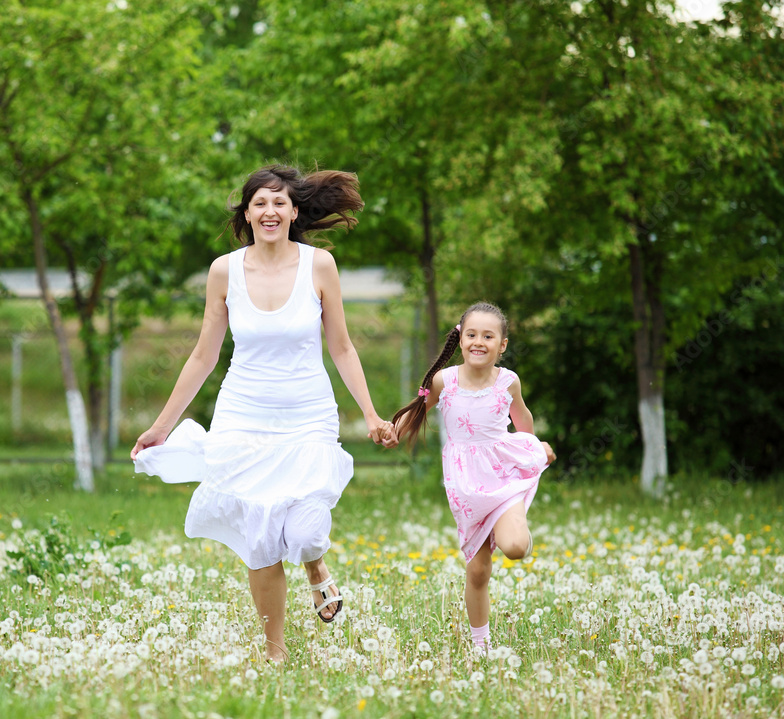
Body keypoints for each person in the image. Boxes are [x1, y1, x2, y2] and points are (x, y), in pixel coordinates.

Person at [131, 164, 397, 664]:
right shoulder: (224, 271)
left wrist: (372, 414)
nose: (270, 211)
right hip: (243, 416)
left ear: (295, 212)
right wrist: (161, 426)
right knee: (260, 535)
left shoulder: (320, 266)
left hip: (307, 415)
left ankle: (315, 566)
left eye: (279, 202)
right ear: (247, 214)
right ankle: (275, 655)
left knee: (303, 531)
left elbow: (341, 347)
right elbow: (203, 355)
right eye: (260, 203)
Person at [390, 301, 555, 657]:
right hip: (465, 485)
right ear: (460, 339)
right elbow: (418, 412)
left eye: (488, 336)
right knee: (478, 570)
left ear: (503, 344)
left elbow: (522, 420)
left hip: (503, 472)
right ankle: (481, 647)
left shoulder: (508, 381)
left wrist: (536, 448)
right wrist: (393, 432)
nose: (479, 342)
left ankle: (518, 531)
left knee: (511, 548)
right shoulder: (444, 381)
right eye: (472, 334)